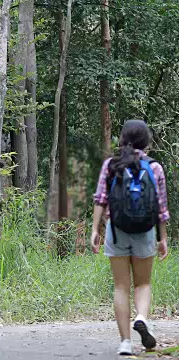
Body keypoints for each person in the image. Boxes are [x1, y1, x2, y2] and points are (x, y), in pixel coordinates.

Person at [91, 120, 169, 356]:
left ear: (122, 139)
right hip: (145, 231)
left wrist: (95, 229)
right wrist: (162, 237)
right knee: (143, 283)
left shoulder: (111, 164)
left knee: (120, 287)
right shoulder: (154, 167)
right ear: (146, 141)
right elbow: (161, 208)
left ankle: (125, 342)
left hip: (117, 230)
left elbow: (100, 199)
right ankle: (142, 317)